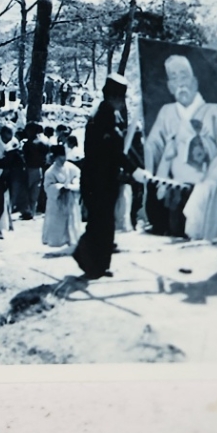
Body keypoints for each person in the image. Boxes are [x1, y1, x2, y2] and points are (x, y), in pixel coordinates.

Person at [145, 55, 217, 240]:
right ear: (169, 86)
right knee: (178, 232)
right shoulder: (166, 113)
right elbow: (153, 147)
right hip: (176, 188)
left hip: (207, 187)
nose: (180, 83)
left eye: (184, 76)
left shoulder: (216, 112)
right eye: (174, 78)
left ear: (194, 81)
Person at [73, 74, 129, 280]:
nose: (123, 102)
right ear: (114, 97)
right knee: (99, 222)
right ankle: (89, 261)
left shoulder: (109, 114)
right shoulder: (102, 117)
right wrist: (133, 168)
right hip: (98, 180)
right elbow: (113, 150)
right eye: (121, 98)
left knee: (104, 223)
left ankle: (100, 264)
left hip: (105, 178)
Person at [42, 144, 82, 248]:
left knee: (72, 218)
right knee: (57, 220)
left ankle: (72, 239)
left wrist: (73, 184)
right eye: (60, 158)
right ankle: (56, 240)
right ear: (55, 157)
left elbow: (78, 176)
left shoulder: (71, 167)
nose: (63, 159)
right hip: (57, 200)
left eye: (64, 156)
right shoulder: (50, 171)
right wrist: (59, 188)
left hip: (70, 197)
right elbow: (48, 186)